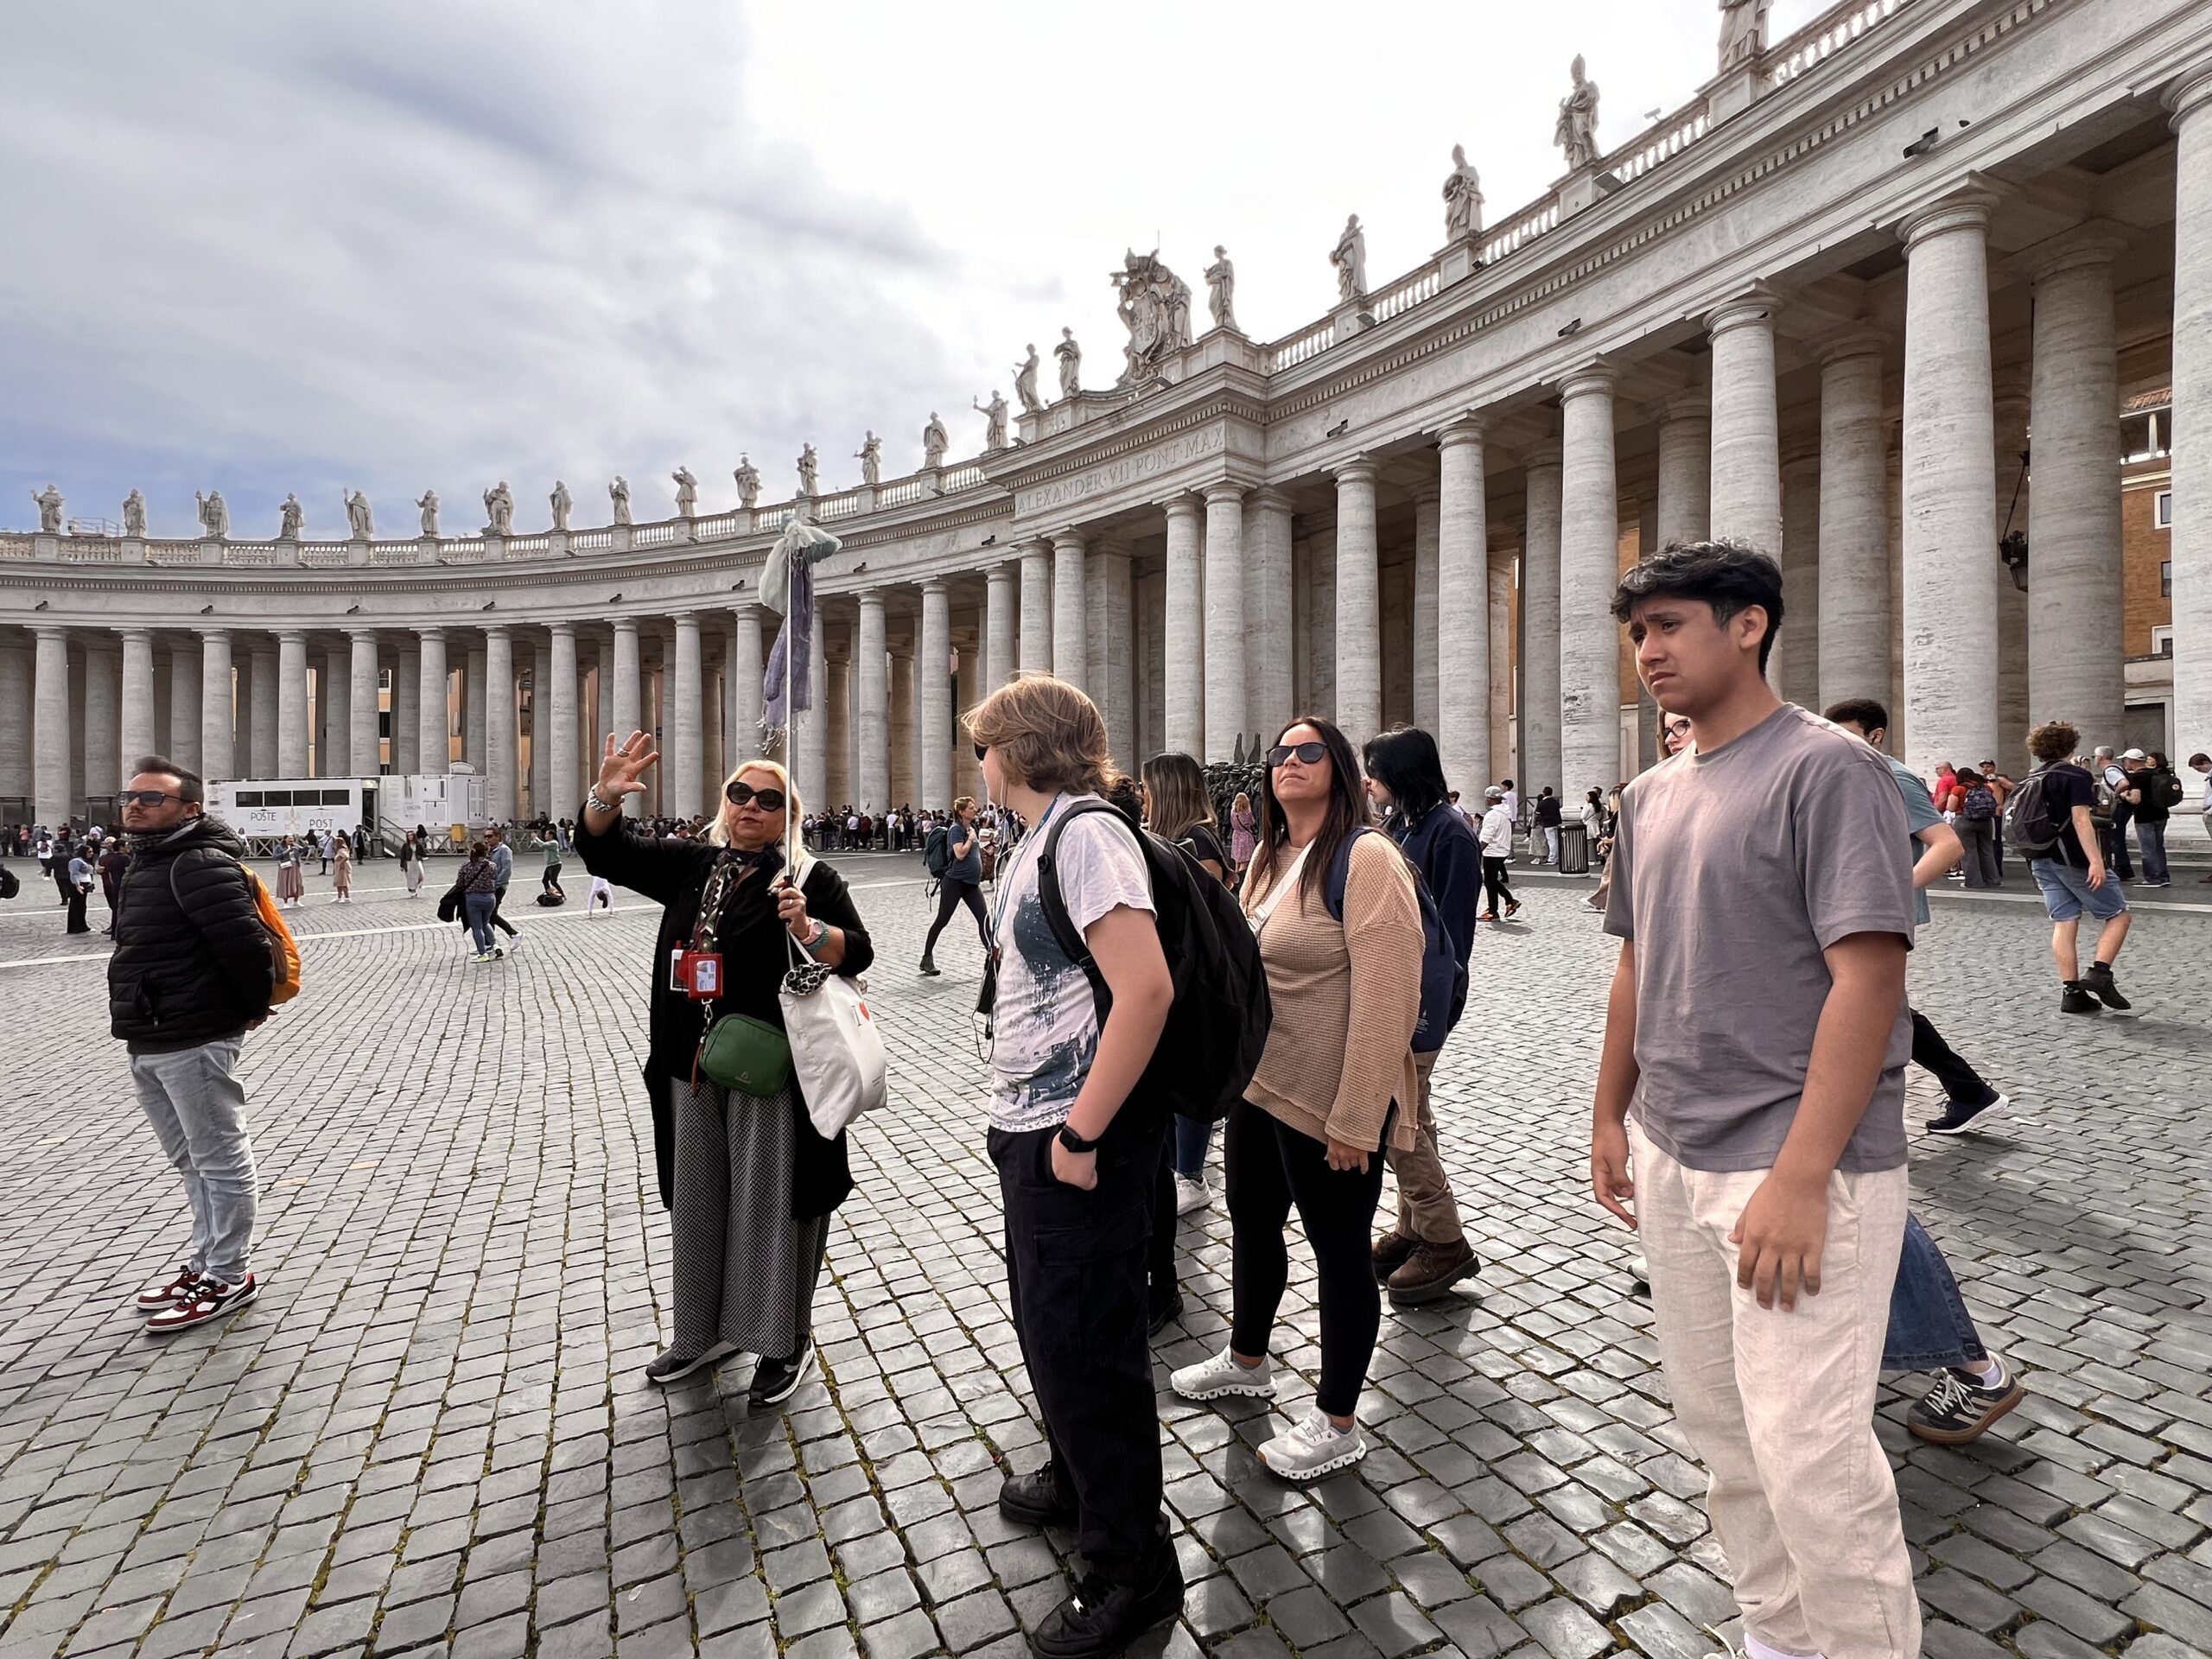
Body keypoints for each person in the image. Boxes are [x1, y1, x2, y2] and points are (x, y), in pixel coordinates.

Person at [1592, 539, 1921, 1659]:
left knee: (1812, 1458)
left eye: (1671, 625)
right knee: (1725, 1439)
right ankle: (1776, 1639)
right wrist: (1607, 1116)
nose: (1649, 651)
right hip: (1676, 1158)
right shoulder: (1648, 793)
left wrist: (1799, 1176)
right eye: (1639, 632)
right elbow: (1636, 961)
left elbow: (1870, 975)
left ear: (1749, 625)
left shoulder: (1829, 769)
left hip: (1794, 1165)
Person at [965, 676, 1185, 1657]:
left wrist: (1081, 1136)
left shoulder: (1087, 835)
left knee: (1092, 1352)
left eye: (983, 744)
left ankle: (1132, 1570)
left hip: (1074, 1135)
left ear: (1022, 747)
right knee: (1051, 1332)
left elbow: (1144, 991)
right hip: (1033, 1126)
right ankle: (1073, 1472)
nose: (976, 761)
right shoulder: (1037, 836)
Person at [576, 741, 873, 1405]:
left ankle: (780, 1342)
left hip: (772, 1078)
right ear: (725, 803)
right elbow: (607, 852)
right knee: (701, 1206)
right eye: (741, 794)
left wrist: (810, 926)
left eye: (770, 800)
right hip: (691, 1068)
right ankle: (702, 1332)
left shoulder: (808, 875)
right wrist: (606, 797)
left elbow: (859, 952)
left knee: (770, 1210)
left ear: (788, 814)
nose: (751, 808)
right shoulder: (691, 863)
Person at [1172, 716, 1423, 1481]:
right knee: (1252, 1224)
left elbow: (1387, 997)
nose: (1288, 762)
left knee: (1341, 1254)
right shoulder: (1272, 858)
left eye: (1308, 751)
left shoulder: (1368, 858)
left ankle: (1339, 1420)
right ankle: (1249, 1356)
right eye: (1280, 753)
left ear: (1341, 769)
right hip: (1262, 1085)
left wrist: (1356, 1118)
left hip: (1329, 1102)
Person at [110, 759, 275, 1333]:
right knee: (191, 1161)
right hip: (150, 1031)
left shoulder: (198, 863)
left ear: (190, 809)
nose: (134, 805)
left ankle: (228, 1275)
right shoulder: (145, 863)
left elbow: (246, 947)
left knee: (220, 1159)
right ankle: (205, 1261)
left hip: (196, 1032)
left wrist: (248, 1009)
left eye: (151, 798)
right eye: (129, 796)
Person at [1824, 702, 2012, 1137]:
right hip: (1853, 911)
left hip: (1877, 914)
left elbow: (1948, 845)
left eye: (1848, 733)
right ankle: (1968, 1092)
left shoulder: (1892, 776)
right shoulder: (1853, 773)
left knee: (1879, 1010)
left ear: (1876, 734)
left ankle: (1963, 1093)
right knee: (1882, 1009)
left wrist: (1892, 891)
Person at [1363, 728, 1481, 1306]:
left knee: (1393, 1119)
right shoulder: (1402, 825)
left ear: (1403, 773)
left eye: (1377, 770)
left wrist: (1426, 1009)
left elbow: (1452, 940)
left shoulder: (1450, 834)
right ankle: (1414, 1227)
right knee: (1414, 1115)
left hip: (1420, 1001)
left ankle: (1444, 1239)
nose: (1370, 781)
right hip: (1391, 992)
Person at [1138, 753, 1230, 1242]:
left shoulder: (1198, 842)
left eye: (1150, 788)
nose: (1143, 797)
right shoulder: (1174, 839)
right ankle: (1179, 1167)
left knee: (1191, 1081)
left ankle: (1191, 1175)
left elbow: (1208, 920)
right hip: (1175, 976)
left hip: (1194, 983)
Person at [2019, 721, 2133, 1014]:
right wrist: (2096, 860)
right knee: (2118, 914)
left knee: (2065, 920)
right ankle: (2099, 973)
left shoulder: (2032, 777)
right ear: (2070, 746)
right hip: (2071, 857)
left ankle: (2071, 993)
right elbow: (2081, 820)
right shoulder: (2075, 775)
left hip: (2040, 857)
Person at [918, 796, 988, 976]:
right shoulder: (956, 830)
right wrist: (971, 839)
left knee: (984, 919)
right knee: (942, 920)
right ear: (962, 812)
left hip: (971, 884)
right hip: (955, 882)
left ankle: (992, 957)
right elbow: (960, 854)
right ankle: (926, 958)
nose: (975, 810)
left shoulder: (970, 828)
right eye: (971, 808)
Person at [2123, 749, 2179, 888]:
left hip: (2145, 816)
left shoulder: (2138, 777)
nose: (2125, 763)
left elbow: (2136, 799)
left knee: (2148, 848)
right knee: (2159, 847)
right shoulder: (2156, 772)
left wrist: (2124, 796)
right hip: (2161, 814)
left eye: (2125, 760)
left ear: (2131, 760)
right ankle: (2163, 876)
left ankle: (2152, 878)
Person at [2092, 746, 2135, 881]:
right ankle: (2123, 868)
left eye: (2094, 756)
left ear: (2100, 757)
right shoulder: (2117, 768)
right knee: (2116, 838)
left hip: (2118, 808)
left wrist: (2114, 796)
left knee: (2115, 839)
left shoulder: (2110, 771)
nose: (2094, 759)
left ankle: (2122, 869)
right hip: (2123, 808)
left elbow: (2123, 783)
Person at [1475, 786, 1519, 921]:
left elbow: (1487, 837)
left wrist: (1476, 853)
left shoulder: (1492, 815)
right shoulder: (1505, 813)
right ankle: (1494, 908)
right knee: (1490, 880)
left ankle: (1507, 901)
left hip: (1492, 851)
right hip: (1502, 849)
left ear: (1489, 799)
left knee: (1489, 880)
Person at [458, 842, 501, 961]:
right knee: (485, 922)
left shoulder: (466, 866)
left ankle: (482, 954)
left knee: (477, 927)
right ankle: (495, 945)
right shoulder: (492, 865)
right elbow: (495, 878)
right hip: (490, 898)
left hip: (473, 898)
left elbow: (459, 883)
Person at [486, 826, 521, 948]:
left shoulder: (504, 850)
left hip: (498, 886)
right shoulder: (491, 850)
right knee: (490, 913)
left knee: (490, 913)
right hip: (490, 886)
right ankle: (489, 943)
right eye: (486, 837)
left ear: (498, 836)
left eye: (490, 836)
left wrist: (496, 885)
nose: (487, 839)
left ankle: (513, 933)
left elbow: (506, 869)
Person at [99, 838, 130, 936]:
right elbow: (128, 873)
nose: (128, 848)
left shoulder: (111, 859)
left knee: (116, 909)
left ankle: (115, 932)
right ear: (121, 847)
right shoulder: (126, 858)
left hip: (115, 886)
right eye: (126, 846)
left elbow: (110, 875)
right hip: (124, 886)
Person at [65, 840, 93, 934]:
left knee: (82, 906)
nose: (91, 854)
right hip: (78, 885)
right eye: (89, 852)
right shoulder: (76, 861)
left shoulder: (84, 861)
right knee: (76, 906)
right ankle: (75, 927)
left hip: (84, 885)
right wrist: (77, 885)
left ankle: (82, 925)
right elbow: (74, 874)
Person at [1229, 791, 1256, 879]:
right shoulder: (1247, 813)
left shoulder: (1233, 811)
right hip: (1245, 836)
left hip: (1236, 835)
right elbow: (1252, 823)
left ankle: (1235, 878)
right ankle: (1240, 881)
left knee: (1238, 861)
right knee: (1245, 861)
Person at [1533, 786, 1563, 865]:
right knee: (1556, 840)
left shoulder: (1542, 803)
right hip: (1557, 822)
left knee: (1551, 841)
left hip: (1548, 824)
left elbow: (1537, 815)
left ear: (1543, 793)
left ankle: (1552, 858)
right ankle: (1557, 857)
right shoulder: (1555, 801)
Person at [275, 837, 306, 907]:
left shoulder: (296, 845)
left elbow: (303, 851)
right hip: (285, 866)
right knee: (285, 883)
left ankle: (296, 901)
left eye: (292, 839)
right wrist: (287, 851)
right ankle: (285, 903)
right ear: (285, 839)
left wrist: (306, 845)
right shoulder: (279, 847)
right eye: (289, 838)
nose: (291, 840)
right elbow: (275, 857)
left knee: (297, 883)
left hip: (295, 866)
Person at [398, 830, 423, 899]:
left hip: (416, 862)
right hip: (408, 862)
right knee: (410, 878)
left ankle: (414, 887)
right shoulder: (405, 845)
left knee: (419, 877)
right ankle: (413, 891)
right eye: (408, 836)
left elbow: (423, 853)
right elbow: (402, 856)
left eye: (411, 835)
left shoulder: (418, 845)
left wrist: (421, 858)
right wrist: (402, 866)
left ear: (414, 836)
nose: (410, 837)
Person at [330, 836, 353, 905]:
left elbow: (346, 857)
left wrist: (341, 863)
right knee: (339, 883)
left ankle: (347, 897)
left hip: (342, 869)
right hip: (339, 869)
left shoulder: (341, 850)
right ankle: (339, 897)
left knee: (343, 883)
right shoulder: (340, 850)